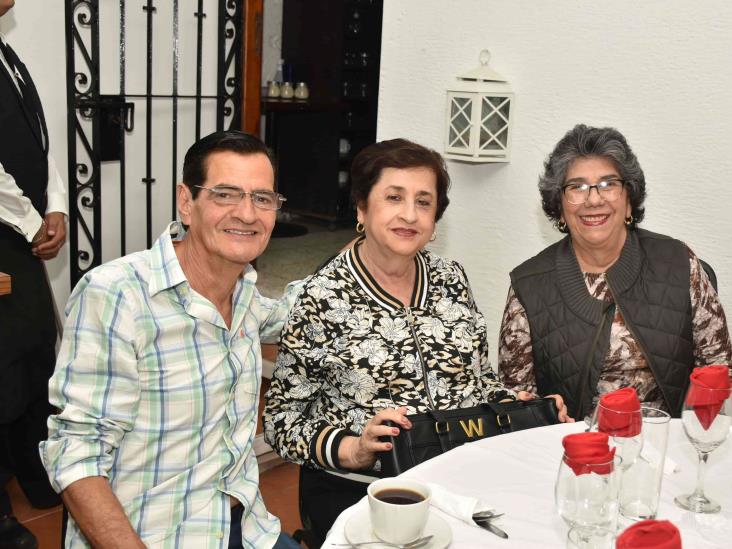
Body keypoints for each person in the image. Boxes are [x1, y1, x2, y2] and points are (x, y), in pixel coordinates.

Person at [264, 138, 570, 541]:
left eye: (423, 202)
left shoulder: (451, 278)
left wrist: (517, 407)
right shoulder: (321, 297)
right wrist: (354, 448)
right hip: (366, 492)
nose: (409, 214)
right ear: (361, 207)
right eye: (394, 197)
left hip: (463, 477)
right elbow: (281, 421)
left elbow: (479, 382)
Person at [40, 131, 302, 549]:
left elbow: (304, 306)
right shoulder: (118, 294)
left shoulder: (247, 298)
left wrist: (377, 234)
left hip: (245, 527)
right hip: (150, 536)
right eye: (226, 194)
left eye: (263, 199)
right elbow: (77, 454)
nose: (248, 214)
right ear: (186, 201)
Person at [498, 124, 732, 421]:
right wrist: (544, 418)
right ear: (559, 205)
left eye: (608, 184)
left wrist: (692, 439)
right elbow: (517, 400)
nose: (594, 199)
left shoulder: (678, 262)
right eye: (577, 187)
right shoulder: (528, 285)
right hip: (570, 450)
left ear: (629, 198)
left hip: (667, 447)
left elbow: (718, 368)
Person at [0, 1, 67, 546]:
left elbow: (39, 141)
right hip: (4, 232)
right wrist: (28, 220)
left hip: (22, 228)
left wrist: (56, 205)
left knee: (37, 350)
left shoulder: (9, 53)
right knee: (4, 362)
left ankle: (39, 477)